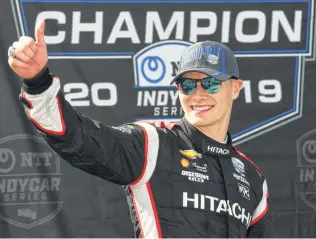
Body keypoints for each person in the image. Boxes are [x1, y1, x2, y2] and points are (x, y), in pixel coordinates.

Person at [8, 20, 273, 238]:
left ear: (235, 88)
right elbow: (74, 136)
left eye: (211, 84)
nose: (198, 95)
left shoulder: (253, 179)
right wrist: (37, 81)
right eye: (188, 85)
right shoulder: (153, 143)